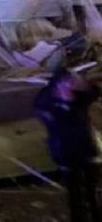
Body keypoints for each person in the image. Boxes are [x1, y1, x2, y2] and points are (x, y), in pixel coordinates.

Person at [34, 68, 101, 222]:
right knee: (74, 189)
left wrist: (84, 85)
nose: (70, 85)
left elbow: (94, 93)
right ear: (58, 84)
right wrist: (64, 102)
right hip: (65, 150)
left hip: (85, 147)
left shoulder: (78, 97)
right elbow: (49, 116)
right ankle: (78, 216)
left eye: (72, 82)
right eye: (67, 82)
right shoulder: (48, 100)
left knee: (91, 187)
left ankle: (95, 214)